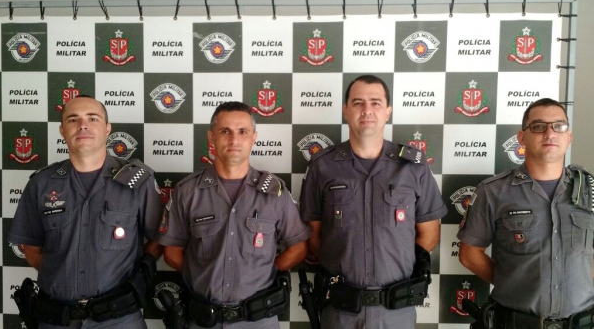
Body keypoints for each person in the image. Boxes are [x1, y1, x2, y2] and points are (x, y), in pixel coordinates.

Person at [299, 75, 447, 329]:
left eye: (376, 103)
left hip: (396, 311)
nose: (367, 110)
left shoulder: (414, 168)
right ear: (345, 110)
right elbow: (313, 236)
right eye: (358, 103)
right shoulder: (322, 167)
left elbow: (430, 234)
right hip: (340, 311)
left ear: (388, 111)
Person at [8, 96, 164, 329]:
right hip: (57, 319)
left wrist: (141, 272)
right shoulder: (41, 184)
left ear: (107, 128)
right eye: (73, 119)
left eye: (93, 118)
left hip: (119, 319)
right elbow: (31, 248)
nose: (83, 125)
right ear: (62, 130)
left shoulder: (138, 180)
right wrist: (65, 277)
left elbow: (158, 237)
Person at [159, 101, 311, 329]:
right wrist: (204, 273)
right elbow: (171, 253)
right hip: (203, 320)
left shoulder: (274, 191)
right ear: (211, 137)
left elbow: (298, 248)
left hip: (258, 320)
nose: (234, 140)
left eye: (242, 131)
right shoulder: (187, 191)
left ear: (254, 137)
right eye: (224, 131)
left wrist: (263, 271)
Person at [458, 98, 594, 329]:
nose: (550, 133)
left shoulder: (590, 190)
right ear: (522, 137)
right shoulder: (493, 192)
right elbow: (469, 254)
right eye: (539, 126)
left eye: (558, 126)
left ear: (568, 137)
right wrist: (512, 282)